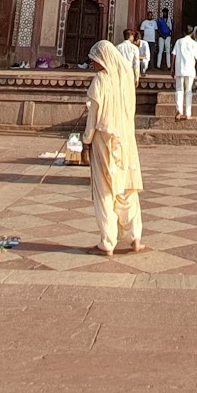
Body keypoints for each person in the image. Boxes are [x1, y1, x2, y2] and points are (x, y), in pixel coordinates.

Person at [80, 40, 144, 256]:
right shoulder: (126, 80)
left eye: (94, 59)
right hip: (126, 138)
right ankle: (135, 237)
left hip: (104, 140)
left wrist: (86, 140)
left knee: (105, 190)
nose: (92, 63)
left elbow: (93, 117)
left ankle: (107, 242)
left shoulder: (101, 80)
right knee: (127, 188)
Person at [171, 25, 197, 120]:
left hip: (179, 69)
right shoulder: (194, 43)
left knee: (179, 90)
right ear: (192, 33)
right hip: (190, 70)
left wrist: (172, 68)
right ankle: (188, 113)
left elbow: (173, 55)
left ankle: (179, 110)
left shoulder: (179, 42)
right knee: (188, 91)